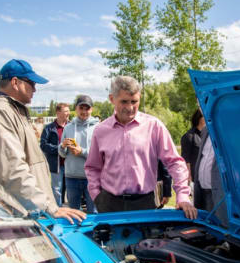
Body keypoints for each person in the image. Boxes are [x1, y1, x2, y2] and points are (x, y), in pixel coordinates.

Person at [0, 59, 86, 224]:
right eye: (31, 83)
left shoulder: (13, 110)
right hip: (14, 215)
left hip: (27, 210)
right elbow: (12, 170)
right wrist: (49, 207)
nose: (34, 89)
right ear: (15, 82)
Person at [85, 76, 197, 219]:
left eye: (134, 101)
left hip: (145, 203)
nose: (130, 107)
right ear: (112, 99)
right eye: (124, 102)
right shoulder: (101, 130)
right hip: (109, 203)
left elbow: (175, 162)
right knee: (110, 242)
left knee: (147, 242)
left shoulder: (154, 126)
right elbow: (93, 167)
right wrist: (97, 196)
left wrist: (182, 196)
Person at [59, 95, 98, 213]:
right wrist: (63, 146)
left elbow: (99, 155)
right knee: (74, 213)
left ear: (91, 110)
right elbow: (62, 154)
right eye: (81, 108)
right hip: (71, 177)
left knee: (93, 212)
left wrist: (82, 152)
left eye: (87, 108)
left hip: (91, 178)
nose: (84, 111)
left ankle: (93, 232)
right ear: (76, 109)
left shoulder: (98, 128)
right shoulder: (68, 128)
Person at [193, 127, 228, 227]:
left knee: (221, 228)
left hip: (220, 194)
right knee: (204, 228)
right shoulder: (205, 131)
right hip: (203, 190)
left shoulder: (230, 130)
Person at [40, 103, 70, 206]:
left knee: (70, 190)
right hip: (56, 165)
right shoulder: (49, 128)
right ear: (58, 113)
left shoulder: (71, 126)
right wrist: (59, 148)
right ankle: (58, 211)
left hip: (70, 165)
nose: (68, 113)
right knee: (57, 190)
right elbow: (43, 146)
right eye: (65, 111)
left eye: (68, 111)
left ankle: (72, 211)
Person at [180, 109, 205, 183]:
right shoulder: (189, 136)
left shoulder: (208, 136)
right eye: (205, 116)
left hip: (206, 178)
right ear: (200, 119)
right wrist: (188, 178)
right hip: (194, 179)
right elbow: (185, 159)